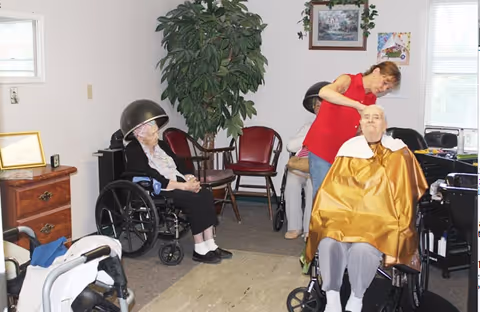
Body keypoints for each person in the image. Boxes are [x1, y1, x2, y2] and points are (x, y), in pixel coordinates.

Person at [304, 105, 428, 312]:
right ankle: (332, 298)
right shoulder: (348, 149)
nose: (370, 120)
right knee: (329, 243)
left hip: (379, 221)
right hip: (343, 216)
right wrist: (325, 217)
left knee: (363, 249)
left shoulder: (399, 152)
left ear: (385, 124)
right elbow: (331, 190)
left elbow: (406, 194)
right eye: (366, 117)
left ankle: (356, 296)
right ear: (360, 124)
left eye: (376, 117)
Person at [124, 120, 232, 264]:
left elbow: (179, 162)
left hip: (178, 181)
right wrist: (183, 187)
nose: (157, 135)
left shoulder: (161, 145)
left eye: (157, 131)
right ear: (139, 135)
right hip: (158, 188)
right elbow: (150, 173)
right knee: (194, 199)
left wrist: (189, 177)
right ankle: (200, 248)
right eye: (153, 133)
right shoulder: (134, 149)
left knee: (205, 194)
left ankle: (210, 244)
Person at [303, 61, 401, 198]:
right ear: (376, 71)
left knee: (339, 199)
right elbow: (324, 92)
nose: (384, 89)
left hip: (343, 154)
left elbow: (356, 128)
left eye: (388, 88)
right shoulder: (348, 80)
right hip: (323, 149)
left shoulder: (370, 99)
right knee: (321, 197)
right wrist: (357, 106)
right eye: (384, 83)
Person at [284, 97, 320, 240]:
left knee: (312, 186)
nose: (319, 108)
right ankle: (294, 227)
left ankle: (309, 229)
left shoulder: (335, 127)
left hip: (319, 165)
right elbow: (290, 146)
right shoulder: (307, 126)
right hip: (301, 163)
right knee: (292, 182)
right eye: (317, 106)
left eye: (323, 106)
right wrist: (312, 133)